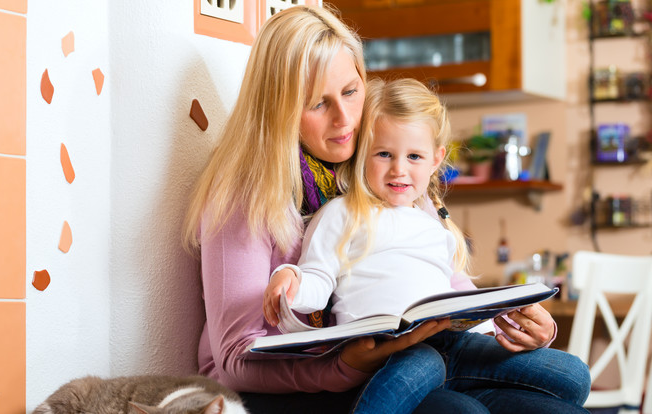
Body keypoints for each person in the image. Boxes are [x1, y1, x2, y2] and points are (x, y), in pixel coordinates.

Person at [182, 5, 588, 413]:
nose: (344, 120)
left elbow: (449, 288)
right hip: (291, 386)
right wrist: (343, 367)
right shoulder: (243, 192)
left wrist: (517, 327)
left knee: (559, 407)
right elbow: (235, 360)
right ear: (279, 109)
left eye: (350, 91)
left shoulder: (381, 170)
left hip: (413, 356)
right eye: (317, 104)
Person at [263, 77, 591, 414]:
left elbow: (458, 298)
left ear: (436, 159)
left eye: (414, 156)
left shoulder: (433, 222)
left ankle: (456, 381)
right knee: (425, 361)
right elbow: (317, 279)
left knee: (573, 375)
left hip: (454, 343)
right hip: (391, 348)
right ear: (363, 153)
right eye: (384, 154)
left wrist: (504, 322)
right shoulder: (342, 214)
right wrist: (290, 282)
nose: (399, 169)